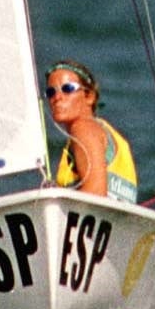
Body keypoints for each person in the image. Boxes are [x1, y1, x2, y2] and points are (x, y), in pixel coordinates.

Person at [46, 59, 138, 204]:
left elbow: (95, 193)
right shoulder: (106, 131)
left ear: (89, 96)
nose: (57, 97)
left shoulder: (83, 128)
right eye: (51, 92)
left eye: (67, 89)